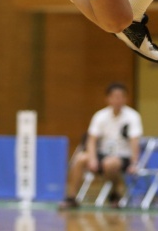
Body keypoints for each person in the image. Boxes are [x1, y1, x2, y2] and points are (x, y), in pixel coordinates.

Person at [60, 82, 142, 210]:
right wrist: (92, 159)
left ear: (125, 99)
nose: (118, 100)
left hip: (122, 156)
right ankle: (71, 197)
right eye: (114, 97)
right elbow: (91, 140)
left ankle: (115, 193)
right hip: (102, 153)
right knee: (80, 159)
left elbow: (134, 141)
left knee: (110, 164)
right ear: (108, 99)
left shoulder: (132, 117)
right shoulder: (100, 116)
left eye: (121, 97)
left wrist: (134, 162)